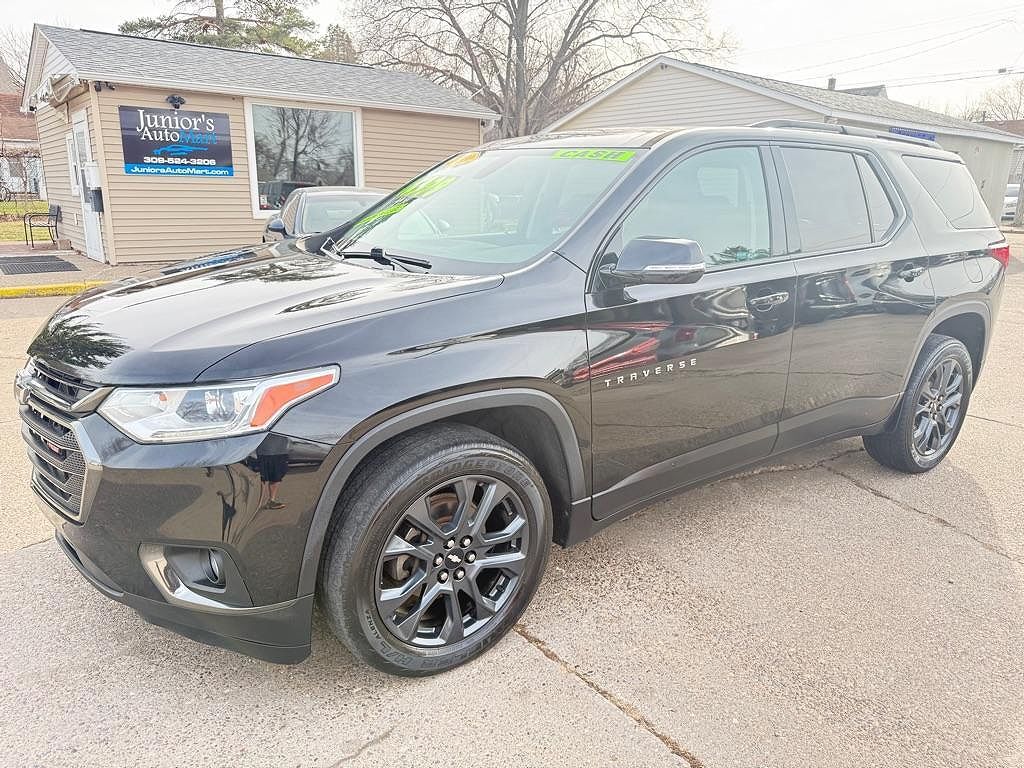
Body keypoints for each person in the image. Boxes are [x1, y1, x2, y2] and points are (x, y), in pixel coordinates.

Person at [256, 433, 290, 510]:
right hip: (264, 451)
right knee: (262, 478)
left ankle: (271, 501)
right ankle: (258, 504)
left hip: (281, 450)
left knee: (276, 477)